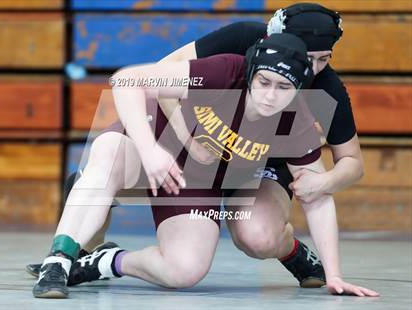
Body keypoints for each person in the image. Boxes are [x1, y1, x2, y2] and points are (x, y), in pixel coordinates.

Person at [27, 2, 363, 290]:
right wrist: (179, 140)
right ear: (254, 65)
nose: (311, 67)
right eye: (264, 81)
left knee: (219, 252)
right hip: (184, 144)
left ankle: (104, 258)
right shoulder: (232, 60)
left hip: (248, 166)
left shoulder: (314, 101)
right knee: (109, 156)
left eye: (321, 60)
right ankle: (64, 256)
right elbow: (139, 79)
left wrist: (323, 183)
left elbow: (344, 170)